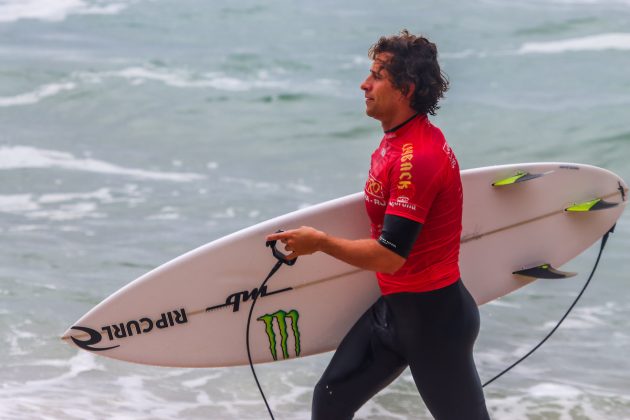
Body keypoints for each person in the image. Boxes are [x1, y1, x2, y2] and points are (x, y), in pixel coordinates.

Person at [266, 30, 490, 420]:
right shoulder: (397, 140)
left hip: (435, 323)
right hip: (395, 312)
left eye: (377, 76)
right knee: (331, 400)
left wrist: (319, 242)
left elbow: (389, 257)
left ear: (405, 88)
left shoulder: (417, 158)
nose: (364, 84)